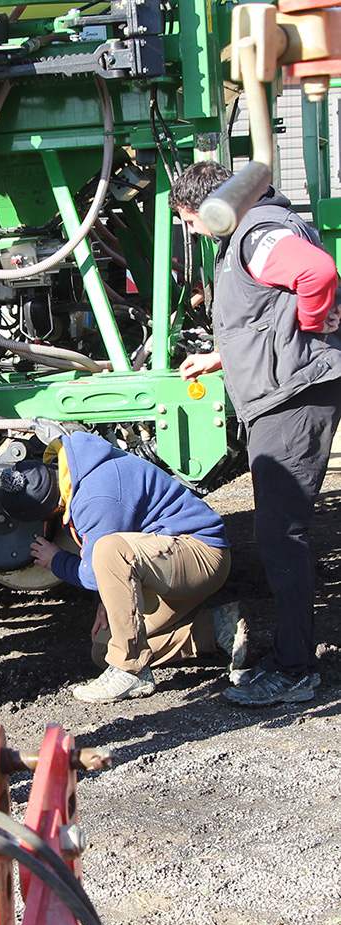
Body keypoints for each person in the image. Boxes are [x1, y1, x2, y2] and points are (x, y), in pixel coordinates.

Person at [169, 161, 341, 707]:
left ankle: (296, 670)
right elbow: (268, 311)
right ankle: (292, 658)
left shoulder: (257, 233)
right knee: (278, 530)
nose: (193, 232)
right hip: (287, 387)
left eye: (189, 222)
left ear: (207, 209)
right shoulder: (261, 225)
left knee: (279, 533)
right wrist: (220, 357)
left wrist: (314, 323)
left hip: (292, 395)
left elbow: (316, 274)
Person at [0, 431, 243, 703]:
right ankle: (217, 628)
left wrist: (56, 561)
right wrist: (108, 598)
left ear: (50, 510)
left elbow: (99, 564)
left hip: (199, 555)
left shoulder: (94, 496)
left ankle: (131, 671)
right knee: (104, 649)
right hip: (160, 562)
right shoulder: (74, 474)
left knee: (109, 551)